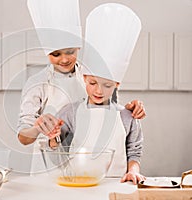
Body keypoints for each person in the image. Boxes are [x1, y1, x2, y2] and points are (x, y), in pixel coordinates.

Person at [17, 0, 146, 174]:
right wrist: (39, 127)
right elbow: (24, 138)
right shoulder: (37, 84)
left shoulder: (92, 74)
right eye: (56, 54)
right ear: (47, 52)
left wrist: (131, 109)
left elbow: (112, 113)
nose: (64, 59)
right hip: (47, 167)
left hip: (87, 170)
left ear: (78, 47)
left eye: (70, 51)